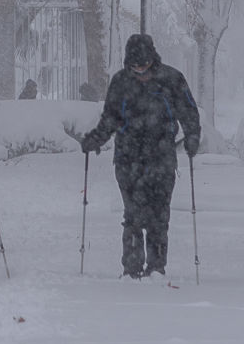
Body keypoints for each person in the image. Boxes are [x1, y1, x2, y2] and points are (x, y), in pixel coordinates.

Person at [80, 33, 202, 278]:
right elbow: (110, 118)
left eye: (144, 66)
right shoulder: (121, 82)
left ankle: (156, 268)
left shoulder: (172, 79)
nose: (141, 72)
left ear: (153, 60)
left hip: (161, 157)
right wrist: (96, 138)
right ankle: (132, 267)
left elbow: (189, 112)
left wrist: (192, 137)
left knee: (159, 214)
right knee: (133, 215)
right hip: (128, 159)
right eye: (135, 67)